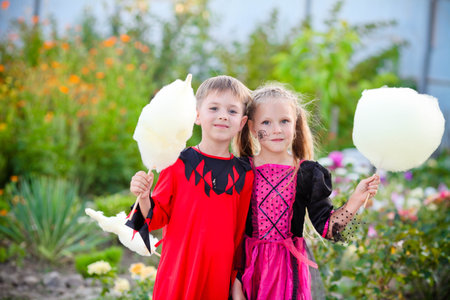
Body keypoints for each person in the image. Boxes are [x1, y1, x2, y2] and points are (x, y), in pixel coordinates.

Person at [232, 83, 380, 300]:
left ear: (296, 125)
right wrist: (235, 285)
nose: (276, 129)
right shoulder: (240, 170)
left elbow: (329, 230)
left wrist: (356, 199)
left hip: (289, 276)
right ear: (252, 127)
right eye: (266, 122)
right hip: (247, 271)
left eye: (285, 121)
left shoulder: (308, 174)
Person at [128, 75, 255, 300]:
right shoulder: (176, 161)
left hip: (218, 276)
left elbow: (239, 236)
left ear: (242, 123)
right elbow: (157, 218)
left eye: (232, 111)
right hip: (179, 272)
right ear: (196, 115)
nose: (223, 116)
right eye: (214, 108)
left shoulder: (245, 175)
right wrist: (145, 196)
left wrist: (236, 280)